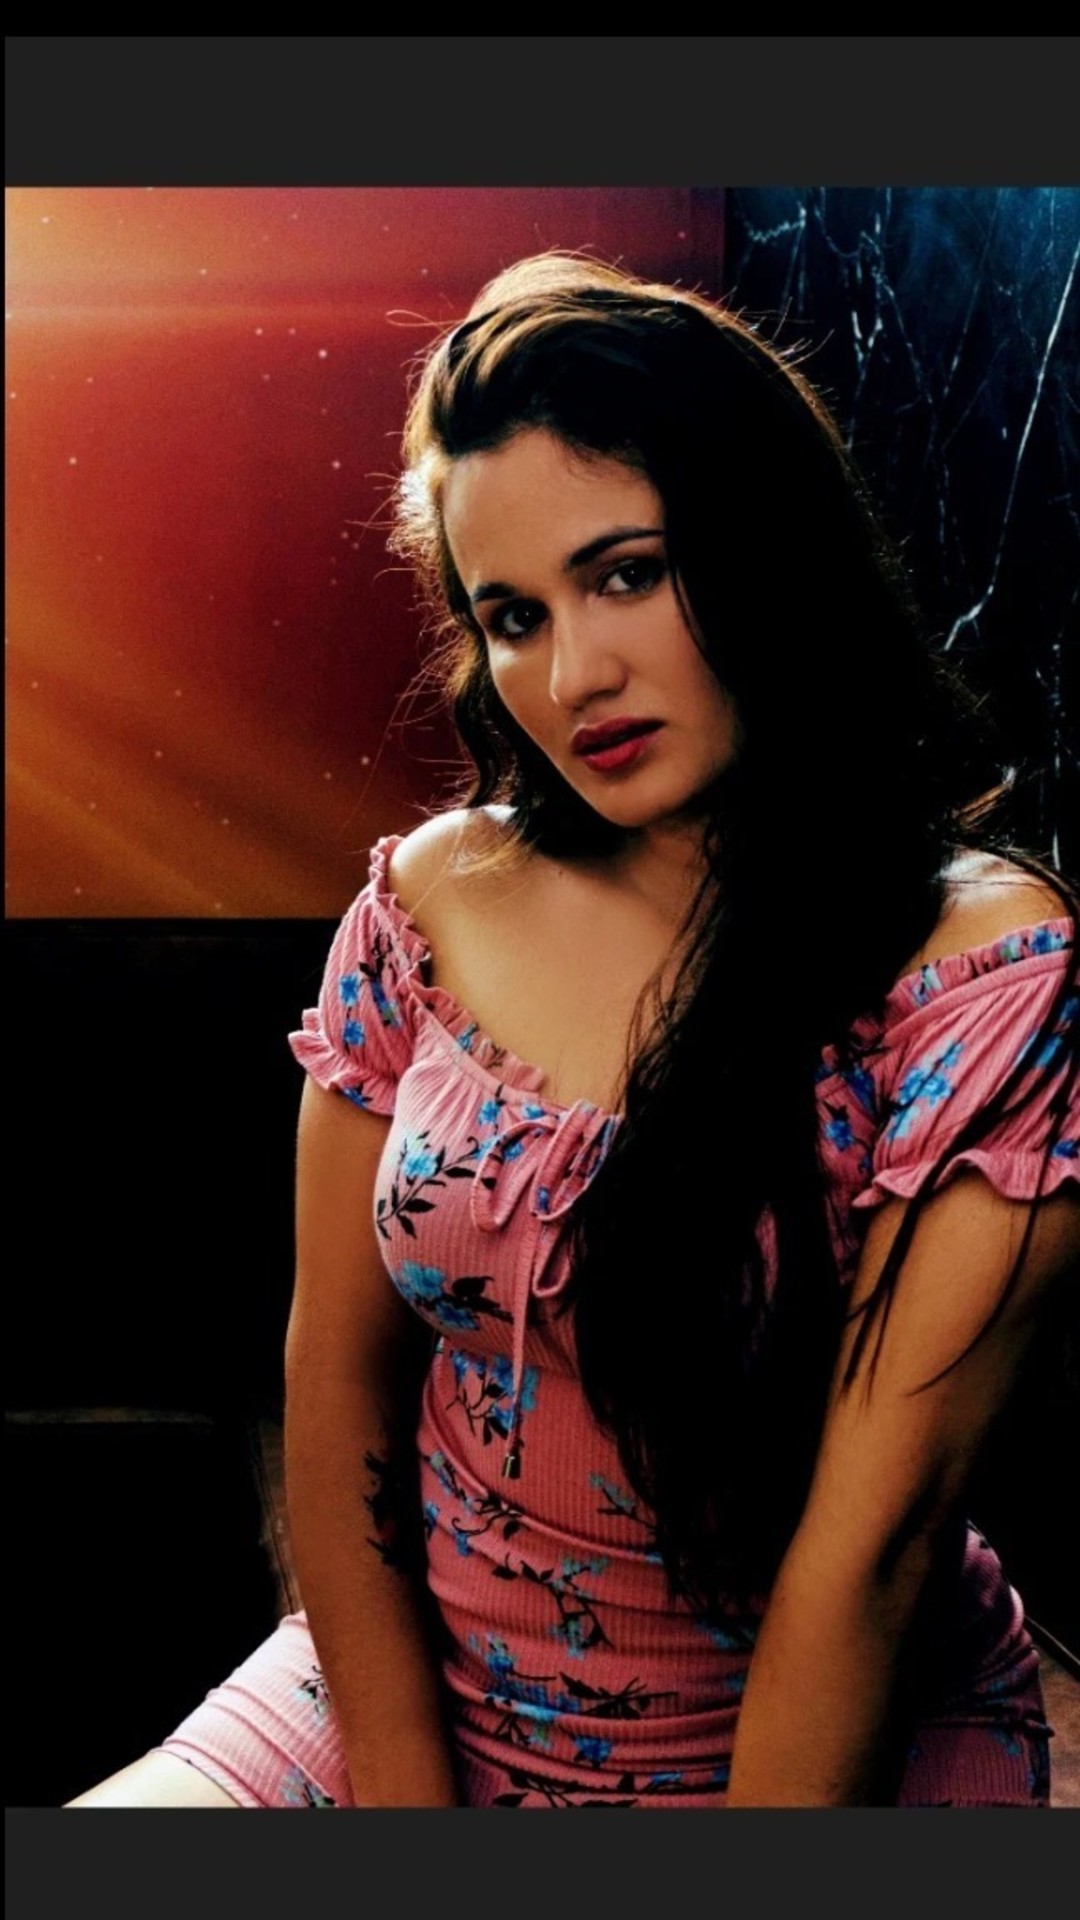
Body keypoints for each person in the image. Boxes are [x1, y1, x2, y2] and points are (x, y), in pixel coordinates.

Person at [69, 253, 1079, 1809]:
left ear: (768, 548)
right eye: (513, 616)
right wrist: (408, 1803)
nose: (572, 677)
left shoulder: (984, 972)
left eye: (627, 575)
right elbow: (335, 1382)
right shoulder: (428, 903)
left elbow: (874, 1556)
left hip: (823, 1739)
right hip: (410, 1685)